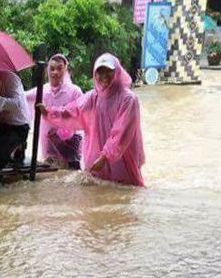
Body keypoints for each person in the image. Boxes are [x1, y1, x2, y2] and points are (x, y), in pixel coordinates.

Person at [37, 53, 145, 186]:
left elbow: (120, 133)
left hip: (120, 156)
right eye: (100, 71)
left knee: (123, 190)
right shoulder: (93, 97)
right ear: (95, 74)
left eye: (108, 71)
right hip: (98, 157)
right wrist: (49, 112)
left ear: (116, 72)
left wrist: (105, 156)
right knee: (95, 193)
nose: (104, 75)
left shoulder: (128, 99)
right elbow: (72, 112)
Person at [26, 54, 83, 169]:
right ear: (47, 71)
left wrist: (62, 131)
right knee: (50, 173)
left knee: (70, 174)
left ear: (65, 69)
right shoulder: (43, 90)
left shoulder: (74, 91)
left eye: (59, 68)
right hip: (47, 143)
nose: (55, 72)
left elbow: (81, 116)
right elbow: (23, 97)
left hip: (69, 144)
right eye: (52, 69)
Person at [0, 71, 32, 170]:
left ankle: (19, 145)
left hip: (18, 126)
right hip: (0, 124)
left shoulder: (11, 78)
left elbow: (17, 105)